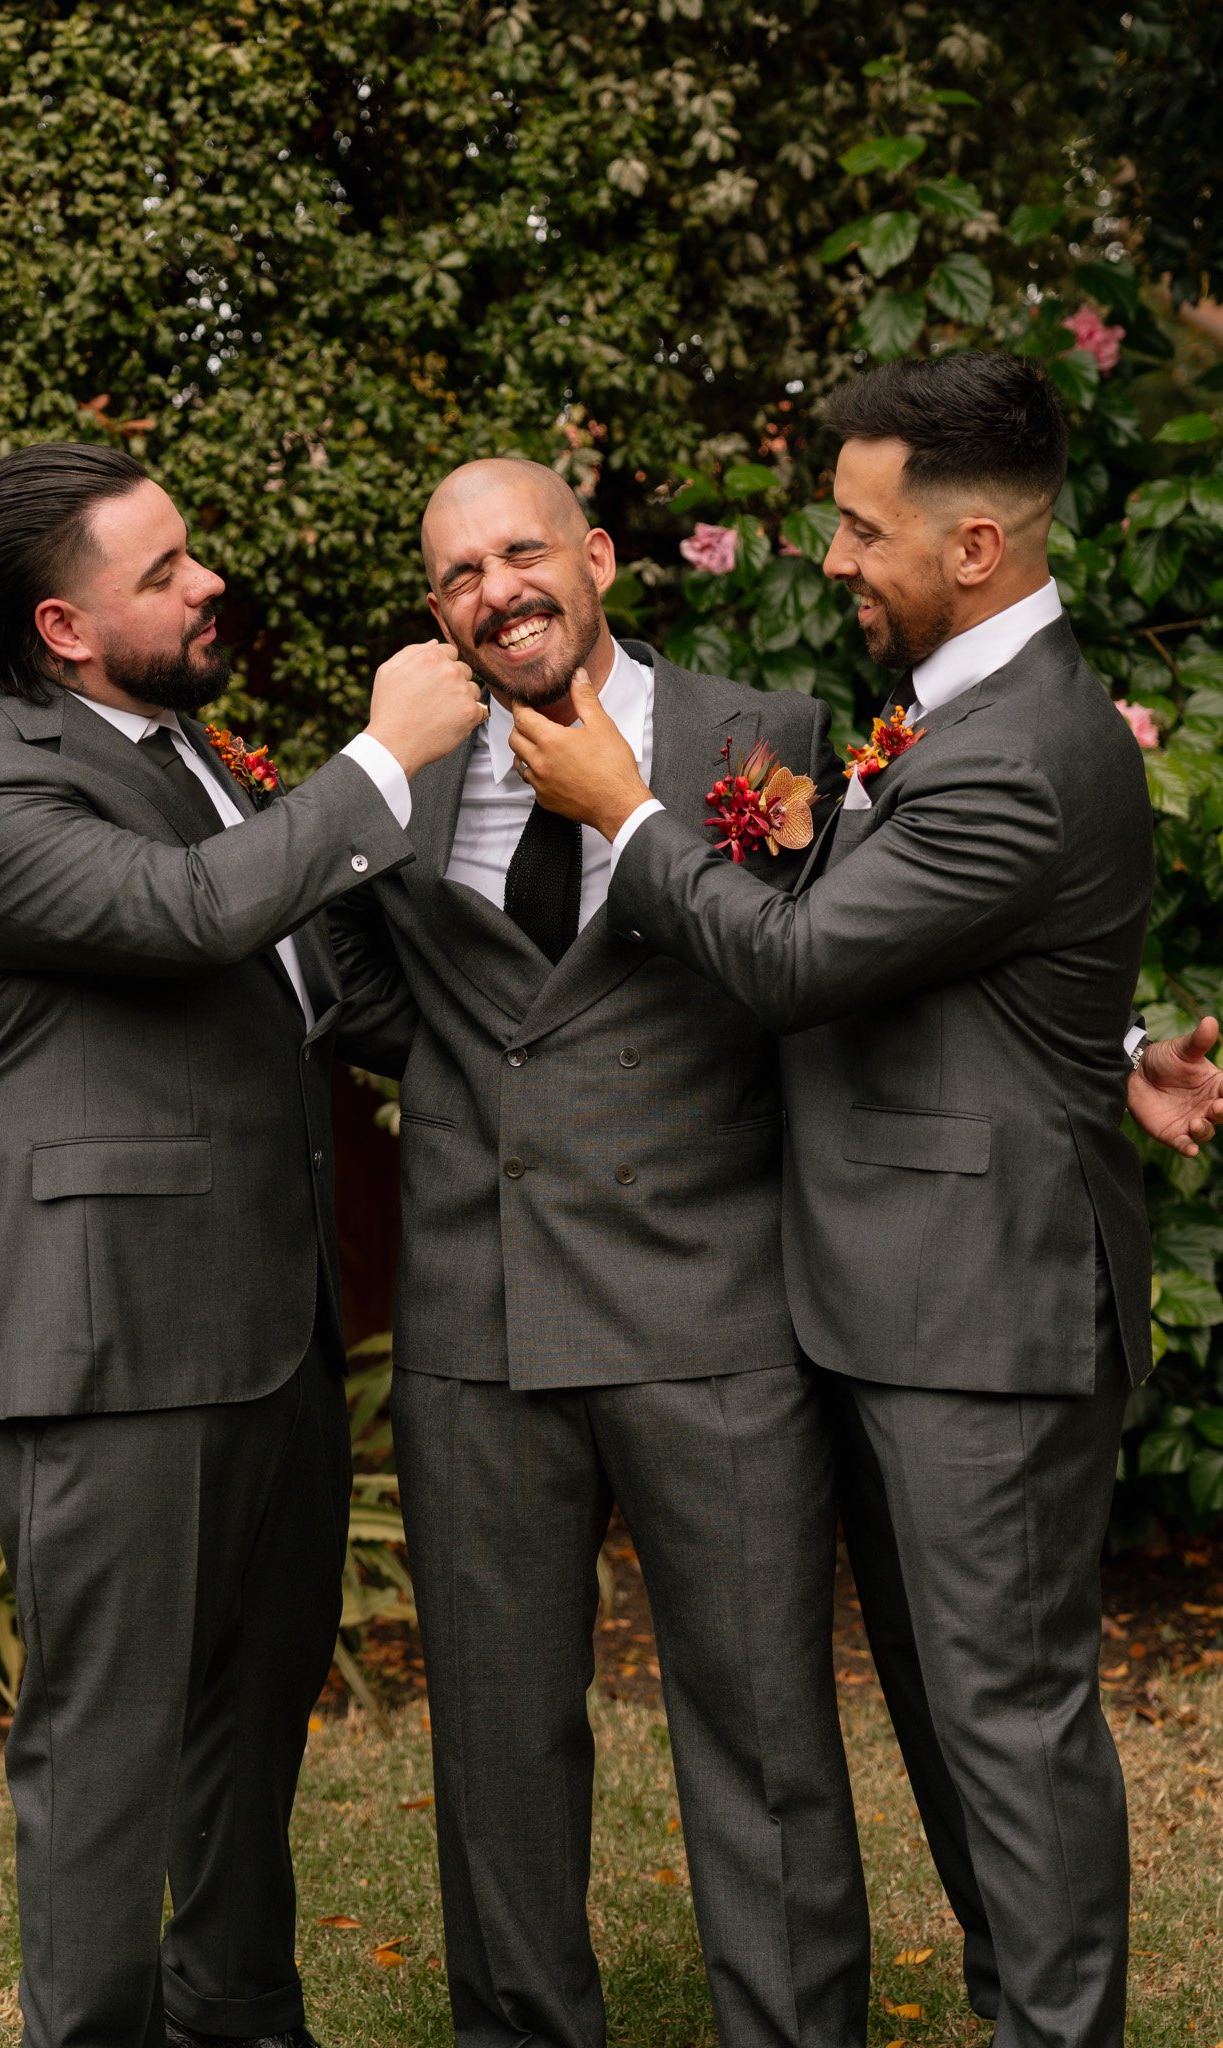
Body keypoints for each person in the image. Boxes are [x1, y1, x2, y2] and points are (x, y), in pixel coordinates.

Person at [508, 351, 1223, 2048]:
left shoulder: (1014, 744)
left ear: (968, 548)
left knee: (1007, 1716)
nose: (830, 559)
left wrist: (626, 814)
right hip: (906, 1294)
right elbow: (966, 959)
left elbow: (803, 961)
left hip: (980, 1307)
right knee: (949, 1710)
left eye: (856, 527)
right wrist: (1103, 1036)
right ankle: (1014, 2002)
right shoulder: (962, 709)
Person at [0, 442, 485, 2048]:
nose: (204, 580)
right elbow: (184, 916)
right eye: (160, 572)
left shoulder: (191, 754)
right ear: (64, 628)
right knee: (109, 1741)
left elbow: (334, 993)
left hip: (266, 1328)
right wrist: (379, 762)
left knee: (249, 1714)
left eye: (189, 554)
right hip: (111, 1347)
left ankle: (240, 2020)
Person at [329, 457, 873, 2048]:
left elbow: (831, 969)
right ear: (434, 614)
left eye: (520, 552)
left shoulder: (758, 737)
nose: (494, 590)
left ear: (600, 559)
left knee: (763, 1732)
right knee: (498, 1741)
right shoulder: (405, 771)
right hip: (473, 1321)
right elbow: (361, 975)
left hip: (710, 1310)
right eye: (454, 576)